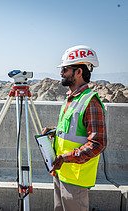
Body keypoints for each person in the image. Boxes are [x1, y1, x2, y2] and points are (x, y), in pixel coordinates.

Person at [42, 45, 107, 211]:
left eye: (65, 69)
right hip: (61, 173)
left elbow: (98, 143)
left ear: (78, 72)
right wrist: (54, 131)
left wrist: (66, 157)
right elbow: (73, 130)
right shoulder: (71, 99)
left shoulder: (90, 101)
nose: (61, 73)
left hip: (75, 178)